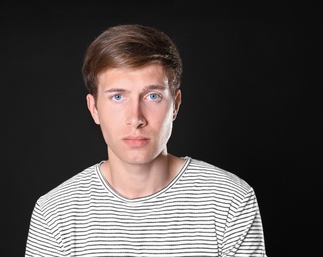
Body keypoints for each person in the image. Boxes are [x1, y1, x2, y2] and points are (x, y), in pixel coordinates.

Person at [25, 24, 267, 256]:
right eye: (118, 96)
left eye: (152, 96)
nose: (136, 118)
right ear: (94, 108)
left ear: (176, 105)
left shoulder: (230, 200)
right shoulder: (54, 213)